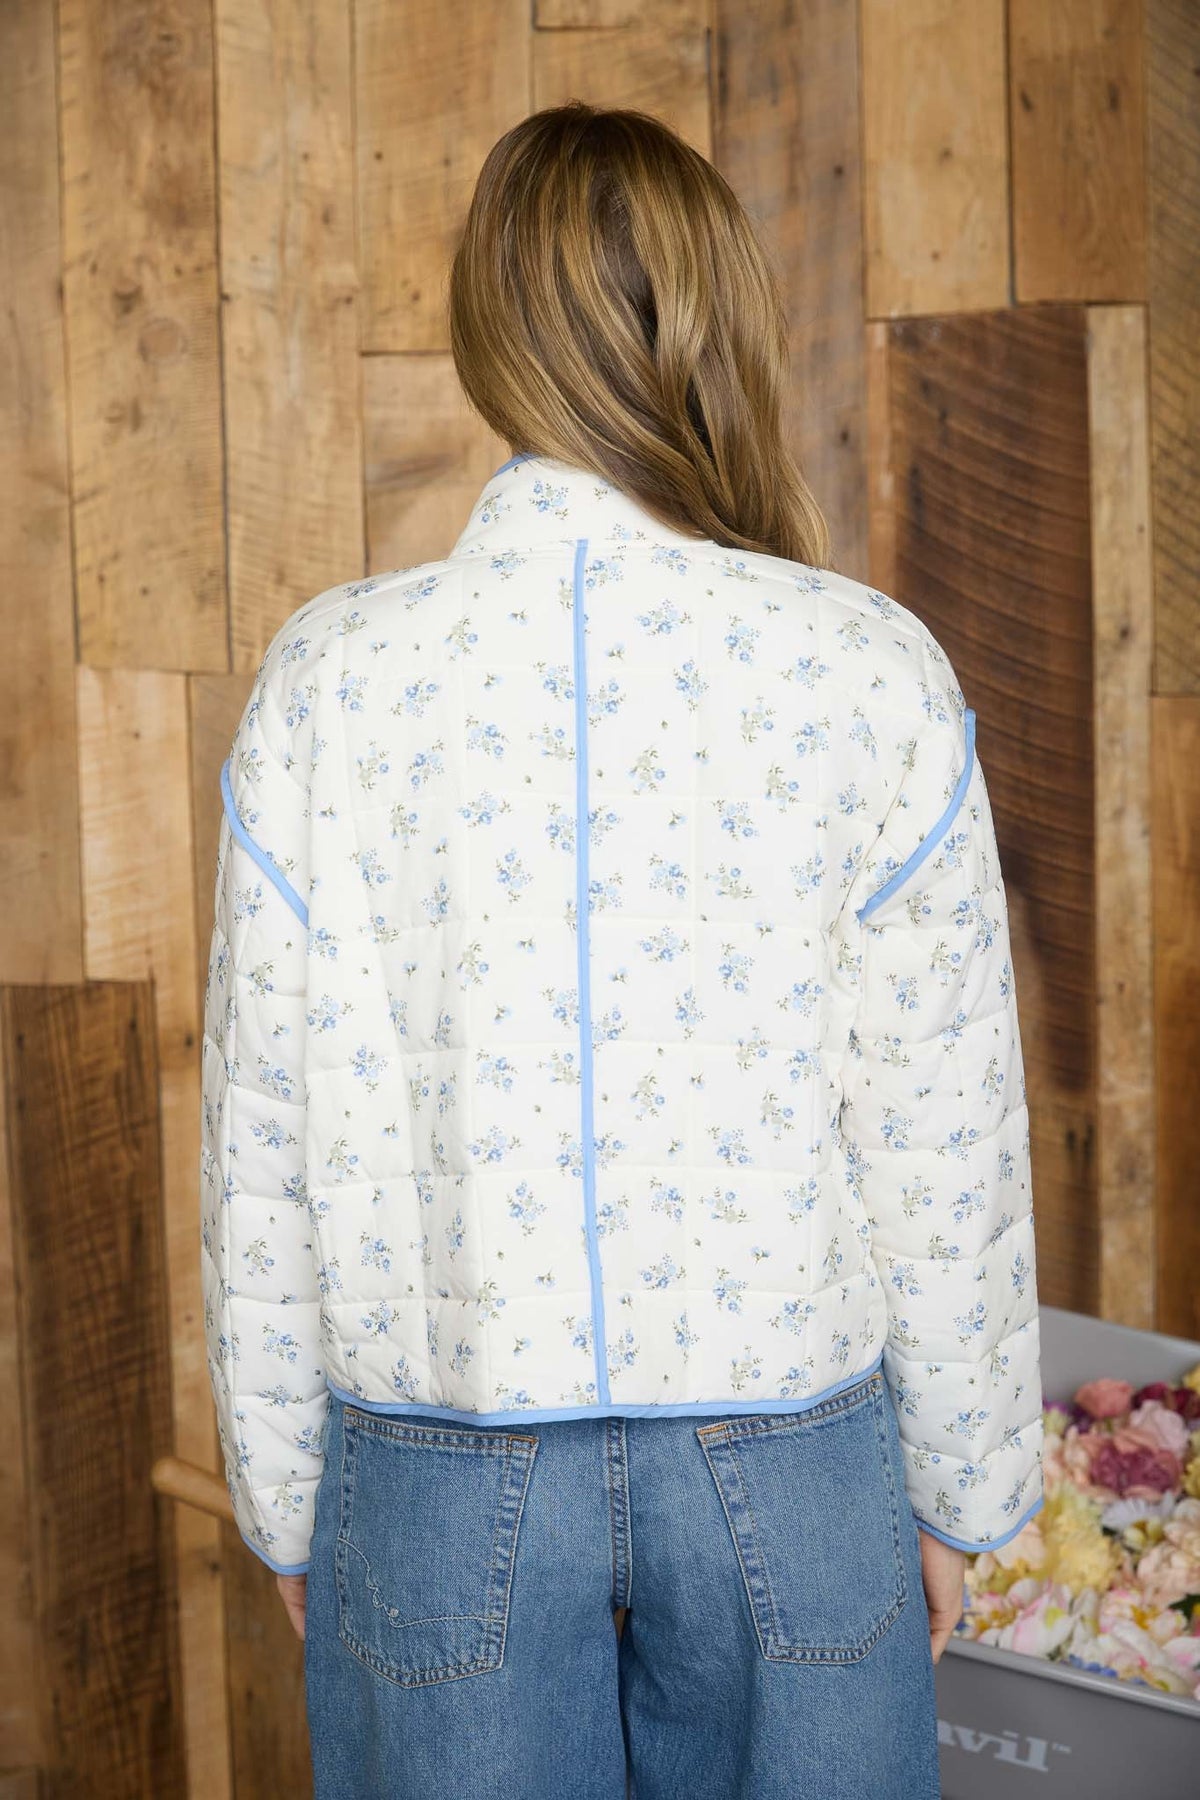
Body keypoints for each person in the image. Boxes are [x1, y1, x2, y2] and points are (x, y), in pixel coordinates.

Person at [201, 100, 1043, 1799]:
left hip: (437, 1468)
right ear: (724, 316)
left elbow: (260, 1139)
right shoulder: (864, 665)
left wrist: (293, 1501)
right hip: (792, 1465)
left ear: (486, 329)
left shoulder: (331, 680)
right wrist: (966, 1487)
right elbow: (941, 1129)